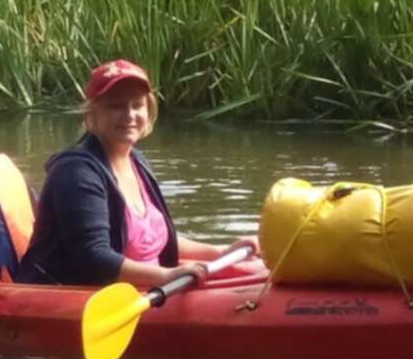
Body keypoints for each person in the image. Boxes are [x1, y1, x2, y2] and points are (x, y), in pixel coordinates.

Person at [17, 59, 243, 288]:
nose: (129, 114)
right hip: (73, 294)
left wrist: (221, 251)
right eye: (116, 106)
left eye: (137, 105)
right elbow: (93, 258)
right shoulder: (76, 172)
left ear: (149, 110)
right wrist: (167, 276)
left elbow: (155, 241)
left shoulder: (137, 161)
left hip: (143, 286)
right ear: (92, 114)